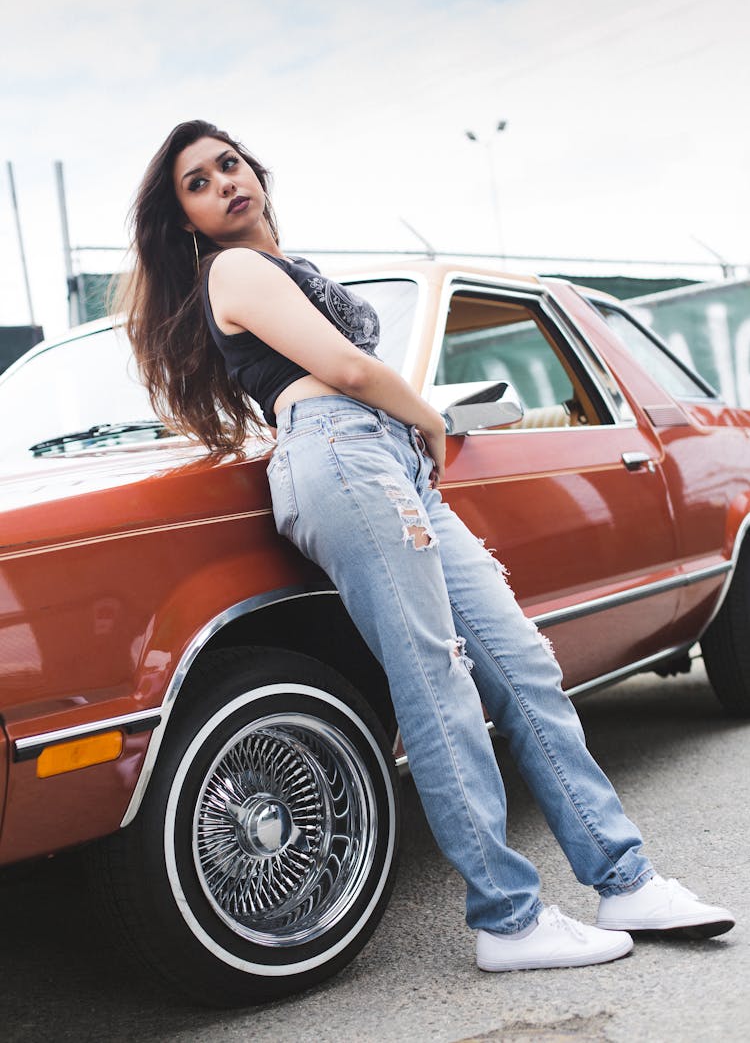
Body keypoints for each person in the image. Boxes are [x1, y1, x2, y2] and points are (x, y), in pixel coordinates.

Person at [120, 119, 735, 973]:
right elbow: (344, 366)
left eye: (230, 163)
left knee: (519, 662)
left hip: (381, 461)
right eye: (198, 181)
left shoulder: (285, 267)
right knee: (437, 683)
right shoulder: (233, 269)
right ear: (184, 217)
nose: (224, 181)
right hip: (344, 452)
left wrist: (410, 434)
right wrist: (432, 418)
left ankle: (624, 874)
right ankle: (509, 918)